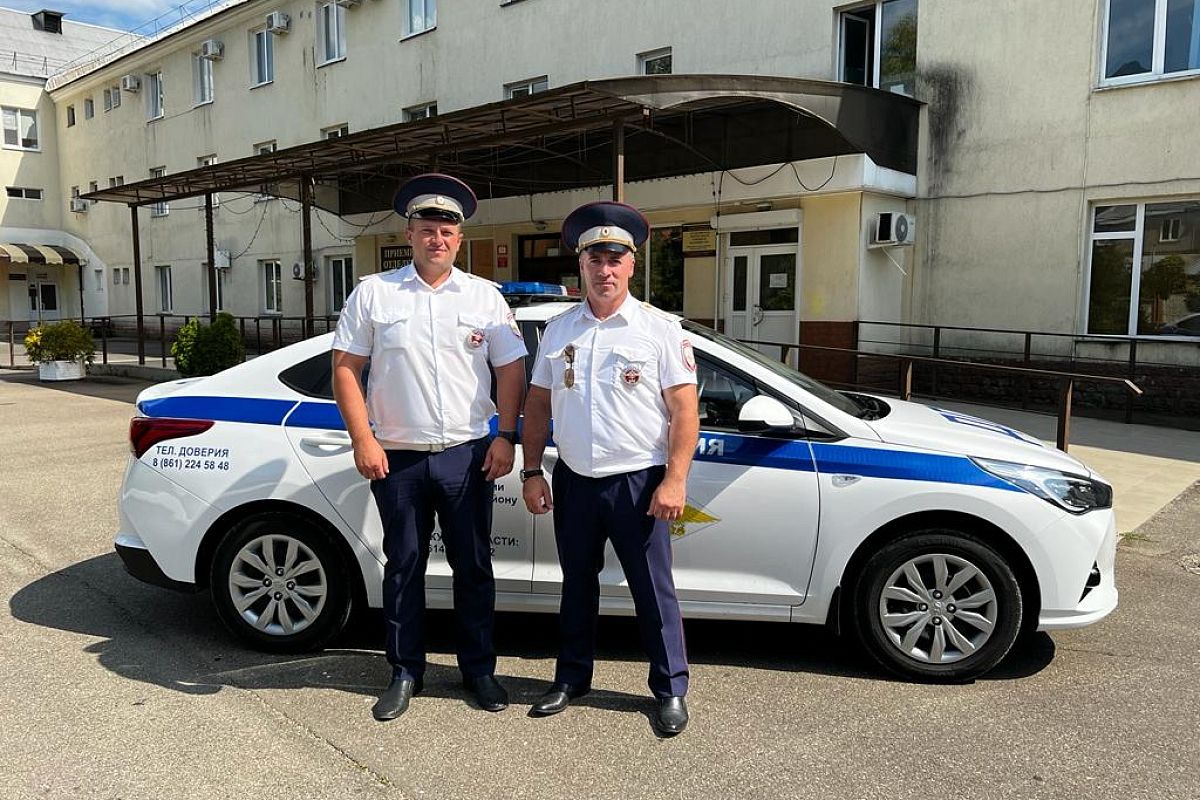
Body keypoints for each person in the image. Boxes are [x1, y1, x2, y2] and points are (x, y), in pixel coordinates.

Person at [331, 173, 527, 721]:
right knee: (404, 565)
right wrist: (363, 438)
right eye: (427, 229)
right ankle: (404, 671)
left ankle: (479, 671)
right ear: (409, 233)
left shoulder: (484, 296)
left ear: (459, 239)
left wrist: (505, 435)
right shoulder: (374, 293)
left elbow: (511, 367)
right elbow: (346, 369)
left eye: (446, 230)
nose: (436, 238)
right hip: (396, 458)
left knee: (473, 566)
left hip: (466, 455)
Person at [520, 201, 700, 735]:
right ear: (581, 265)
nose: (605, 269)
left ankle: (669, 689)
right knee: (576, 584)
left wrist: (675, 479)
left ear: (631, 265)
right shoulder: (558, 331)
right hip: (574, 479)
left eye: (615, 258)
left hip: (638, 482)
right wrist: (532, 471)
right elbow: (537, 405)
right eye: (595, 258)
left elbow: (685, 411)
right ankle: (571, 680)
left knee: (652, 589)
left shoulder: (660, 329)